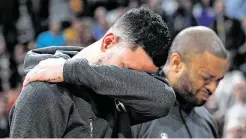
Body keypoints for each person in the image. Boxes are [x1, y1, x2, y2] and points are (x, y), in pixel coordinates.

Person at [9, 8, 175, 138]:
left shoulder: (124, 94)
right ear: (108, 42)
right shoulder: (42, 94)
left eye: (140, 78)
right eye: (128, 70)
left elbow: (164, 98)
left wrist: (70, 70)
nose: (128, 81)